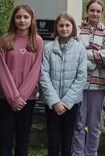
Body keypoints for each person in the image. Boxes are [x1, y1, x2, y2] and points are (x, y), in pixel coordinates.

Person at [0, 5, 44, 156]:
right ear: (14, 19)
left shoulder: (37, 41)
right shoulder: (5, 40)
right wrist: (13, 97)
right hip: (6, 99)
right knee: (5, 140)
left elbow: (35, 70)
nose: (22, 20)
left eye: (25, 17)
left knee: (23, 141)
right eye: (18, 17)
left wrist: (21, 97)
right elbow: (2, 71)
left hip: (27, 100)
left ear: (31, 20)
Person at [40, 12, 87, 156]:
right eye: (61, 25)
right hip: (52, 103)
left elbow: (81, 77)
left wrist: (66, 102)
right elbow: (44, 75)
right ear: (56, 27)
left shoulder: (80, 49)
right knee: (53, 139)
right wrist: (55, 101)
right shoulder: (48, 48)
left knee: (68, 140)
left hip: (71, 104)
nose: (64, 28)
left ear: (72, 27)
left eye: (67, 25)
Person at [73, 0, 105, 156]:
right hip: (79, 83)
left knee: (94, 124)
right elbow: (74, 52)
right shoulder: (76, 29)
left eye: (98, 11)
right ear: (87, 11)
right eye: (92, 10)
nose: (95, 13)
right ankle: (77, 153)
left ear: (102, 13)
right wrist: (94, 56)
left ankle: (91, 153)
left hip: (99, 83)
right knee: (79, 122)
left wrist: (85, 53)